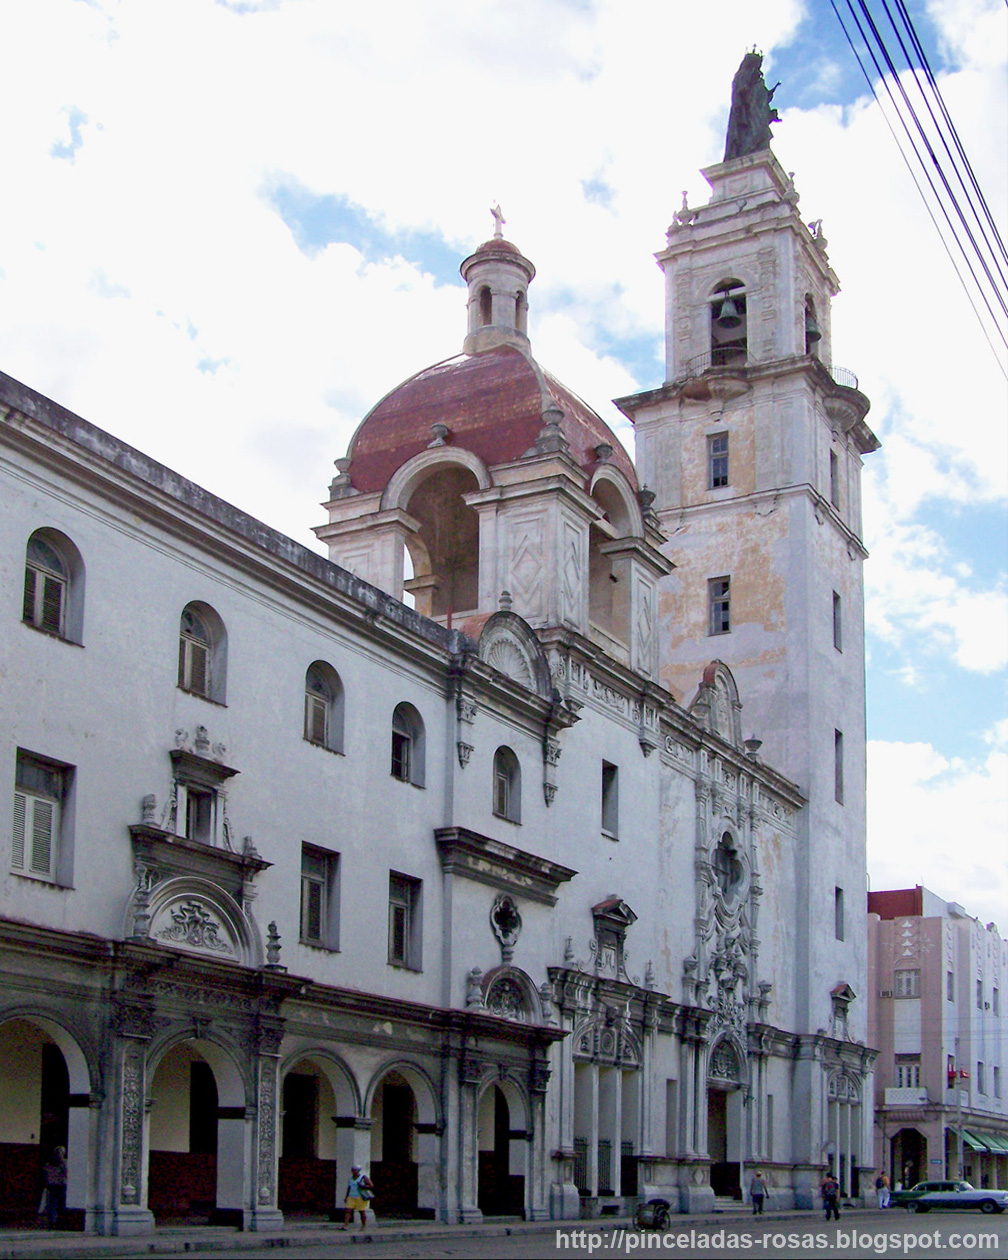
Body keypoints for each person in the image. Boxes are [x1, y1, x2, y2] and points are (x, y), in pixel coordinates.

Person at [342, 1163, 374, 1230]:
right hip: (351, 1196)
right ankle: (345, 1225)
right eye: (352, 1170)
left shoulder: (363, 1177)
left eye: (355, 1170)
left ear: (358, 1171)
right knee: (348, 1210)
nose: (353, 1172)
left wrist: (363, 1186)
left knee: (361, 1211)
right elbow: (349, 1187)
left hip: (360, 1197)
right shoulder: (350, 1178)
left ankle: (363, 1226)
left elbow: (371, 1185)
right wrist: (346, 1196)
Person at [42, 1146, 67, 1230]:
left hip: (51, 1184)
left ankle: (52, 1221)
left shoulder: (49, 1163)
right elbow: (66, 1173)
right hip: (61, 1185)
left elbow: (45, 1173)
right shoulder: (64, 1163)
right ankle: (60, 1221)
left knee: (52, 1204)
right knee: (61, 1204)